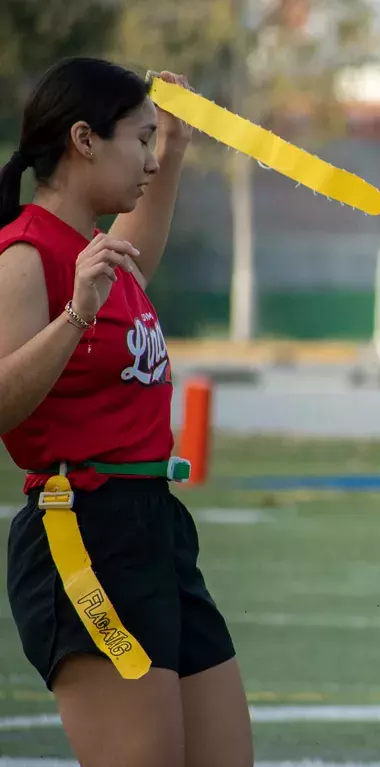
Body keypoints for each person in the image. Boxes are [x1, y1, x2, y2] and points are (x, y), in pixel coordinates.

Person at [1, 58, 253, 766]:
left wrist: (173, 145)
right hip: (82, 528)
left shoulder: (104, 253)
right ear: (84, 139)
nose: (146, 160)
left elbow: (145, 235)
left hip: (155, 524)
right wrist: (76, 315)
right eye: (137, 141)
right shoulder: (26, 253)